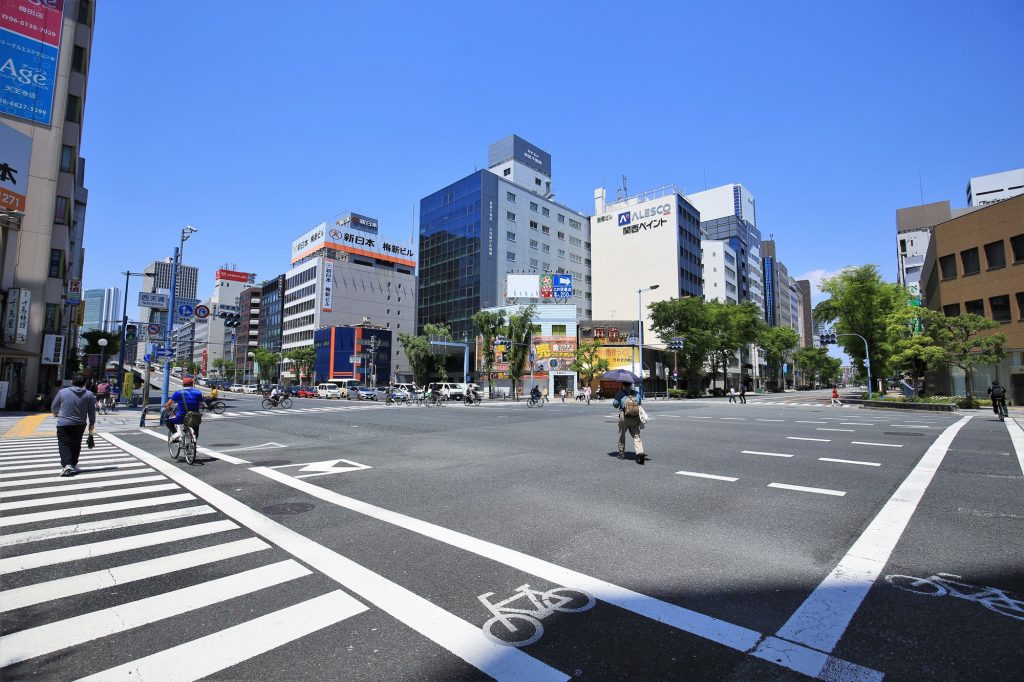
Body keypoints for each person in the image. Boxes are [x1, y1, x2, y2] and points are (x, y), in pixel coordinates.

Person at [51, 373, 96, 477]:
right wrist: (92, 423)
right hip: (80, 424)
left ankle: (66, 464)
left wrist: (55, 412)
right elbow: (91, 411)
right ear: (85, 383)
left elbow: (54, 406)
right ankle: (73, 464)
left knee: (64, 443)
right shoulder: (89, 394)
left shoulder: (63, 392)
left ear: (72, 382)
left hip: (63, 423)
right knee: (76, 443)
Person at [612, 381, 645, 464]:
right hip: (635, 417)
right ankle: (639, 453)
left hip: (624, 417)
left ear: (623, 385)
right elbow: (639, 403)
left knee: (622, 435)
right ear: (631, 385)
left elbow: (615, 404)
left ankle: (621, 453)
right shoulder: (636, 393)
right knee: (636, 435)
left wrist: (620, 396)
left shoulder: (620, 393)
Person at [164, 376, 205, 442]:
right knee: (195, 425)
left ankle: (175, 434)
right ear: (192, 384)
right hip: (194, 416)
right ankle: (193, 443)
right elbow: (201, 404)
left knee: (167, 419)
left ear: (183, 384)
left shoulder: (178, 393)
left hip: (181, 417)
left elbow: (168, 404)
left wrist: (168, 411)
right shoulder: (198, 393)